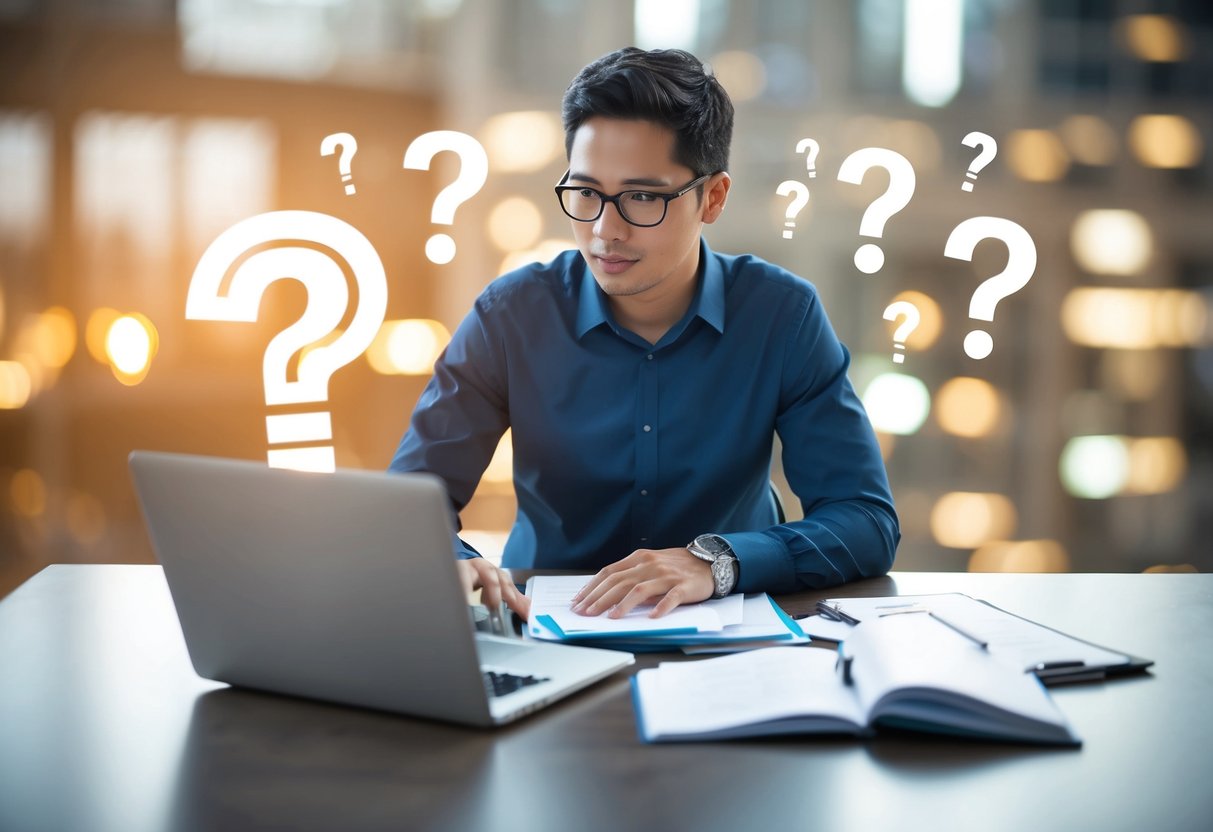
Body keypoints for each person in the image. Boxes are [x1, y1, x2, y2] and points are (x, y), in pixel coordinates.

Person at [390, 47, 899, 621]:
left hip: (731, 638)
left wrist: (718, 562)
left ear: (712, 198)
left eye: (642, 197)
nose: (606, 231)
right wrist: (449, 558)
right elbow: (411, 504)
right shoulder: (510, 315)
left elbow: (865, 521)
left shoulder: (781, 315)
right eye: (585, 193)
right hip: (544, 624)